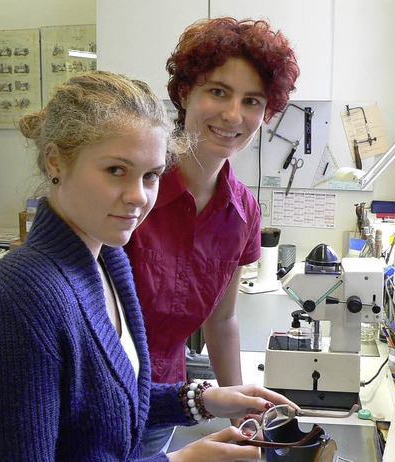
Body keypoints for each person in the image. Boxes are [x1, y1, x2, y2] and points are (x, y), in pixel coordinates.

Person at [0, 71, 298, 461]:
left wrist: (204, 399)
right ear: (56, 161)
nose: (138, 197)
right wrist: (178, 461)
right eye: (116, 171)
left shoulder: (108, 259)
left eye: (151, 175)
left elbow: (109, 405)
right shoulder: (24, 295)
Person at [125, 17, 300, 455]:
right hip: (92, 400)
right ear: (185, 93)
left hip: (162, 402)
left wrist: (240, 404)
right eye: (218, 91)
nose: (232, 115)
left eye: (252, 100)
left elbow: (221, 322)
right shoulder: (132, 190)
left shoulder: (243, 213)